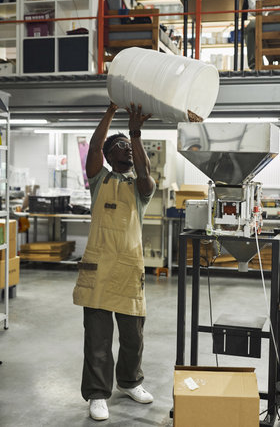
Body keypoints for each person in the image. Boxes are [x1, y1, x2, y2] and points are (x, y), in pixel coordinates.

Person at [73, 101, 156, 421]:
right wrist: (111, 111)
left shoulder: (141, 188)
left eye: (130, 146)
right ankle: (97, 393)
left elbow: (146, 170)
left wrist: (135, 133)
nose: (128, 151)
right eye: (121, 146)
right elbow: (95, 145)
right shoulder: (98, 180)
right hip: (98, 267)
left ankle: (130, 382)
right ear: (109, 157)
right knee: (97, 337)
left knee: (133, 336)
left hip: (129, 269)